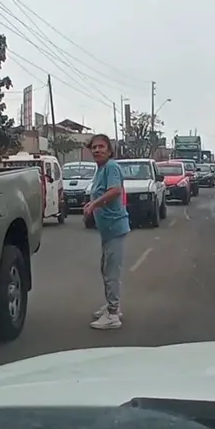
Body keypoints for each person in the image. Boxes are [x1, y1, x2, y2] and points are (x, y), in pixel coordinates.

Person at [83, 134, 130, 330]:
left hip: (115, 227)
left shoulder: (111, 167)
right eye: (94, 147)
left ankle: (113, 314)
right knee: (105, 268)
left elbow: (115, 191)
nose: (97, 150)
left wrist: (94, 204)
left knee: (111, 272)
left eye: (101, 147)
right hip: (107, 229)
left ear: (109, 150)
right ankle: (112, 307)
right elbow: (102, 192)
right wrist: (91, 204)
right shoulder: (101, 169)